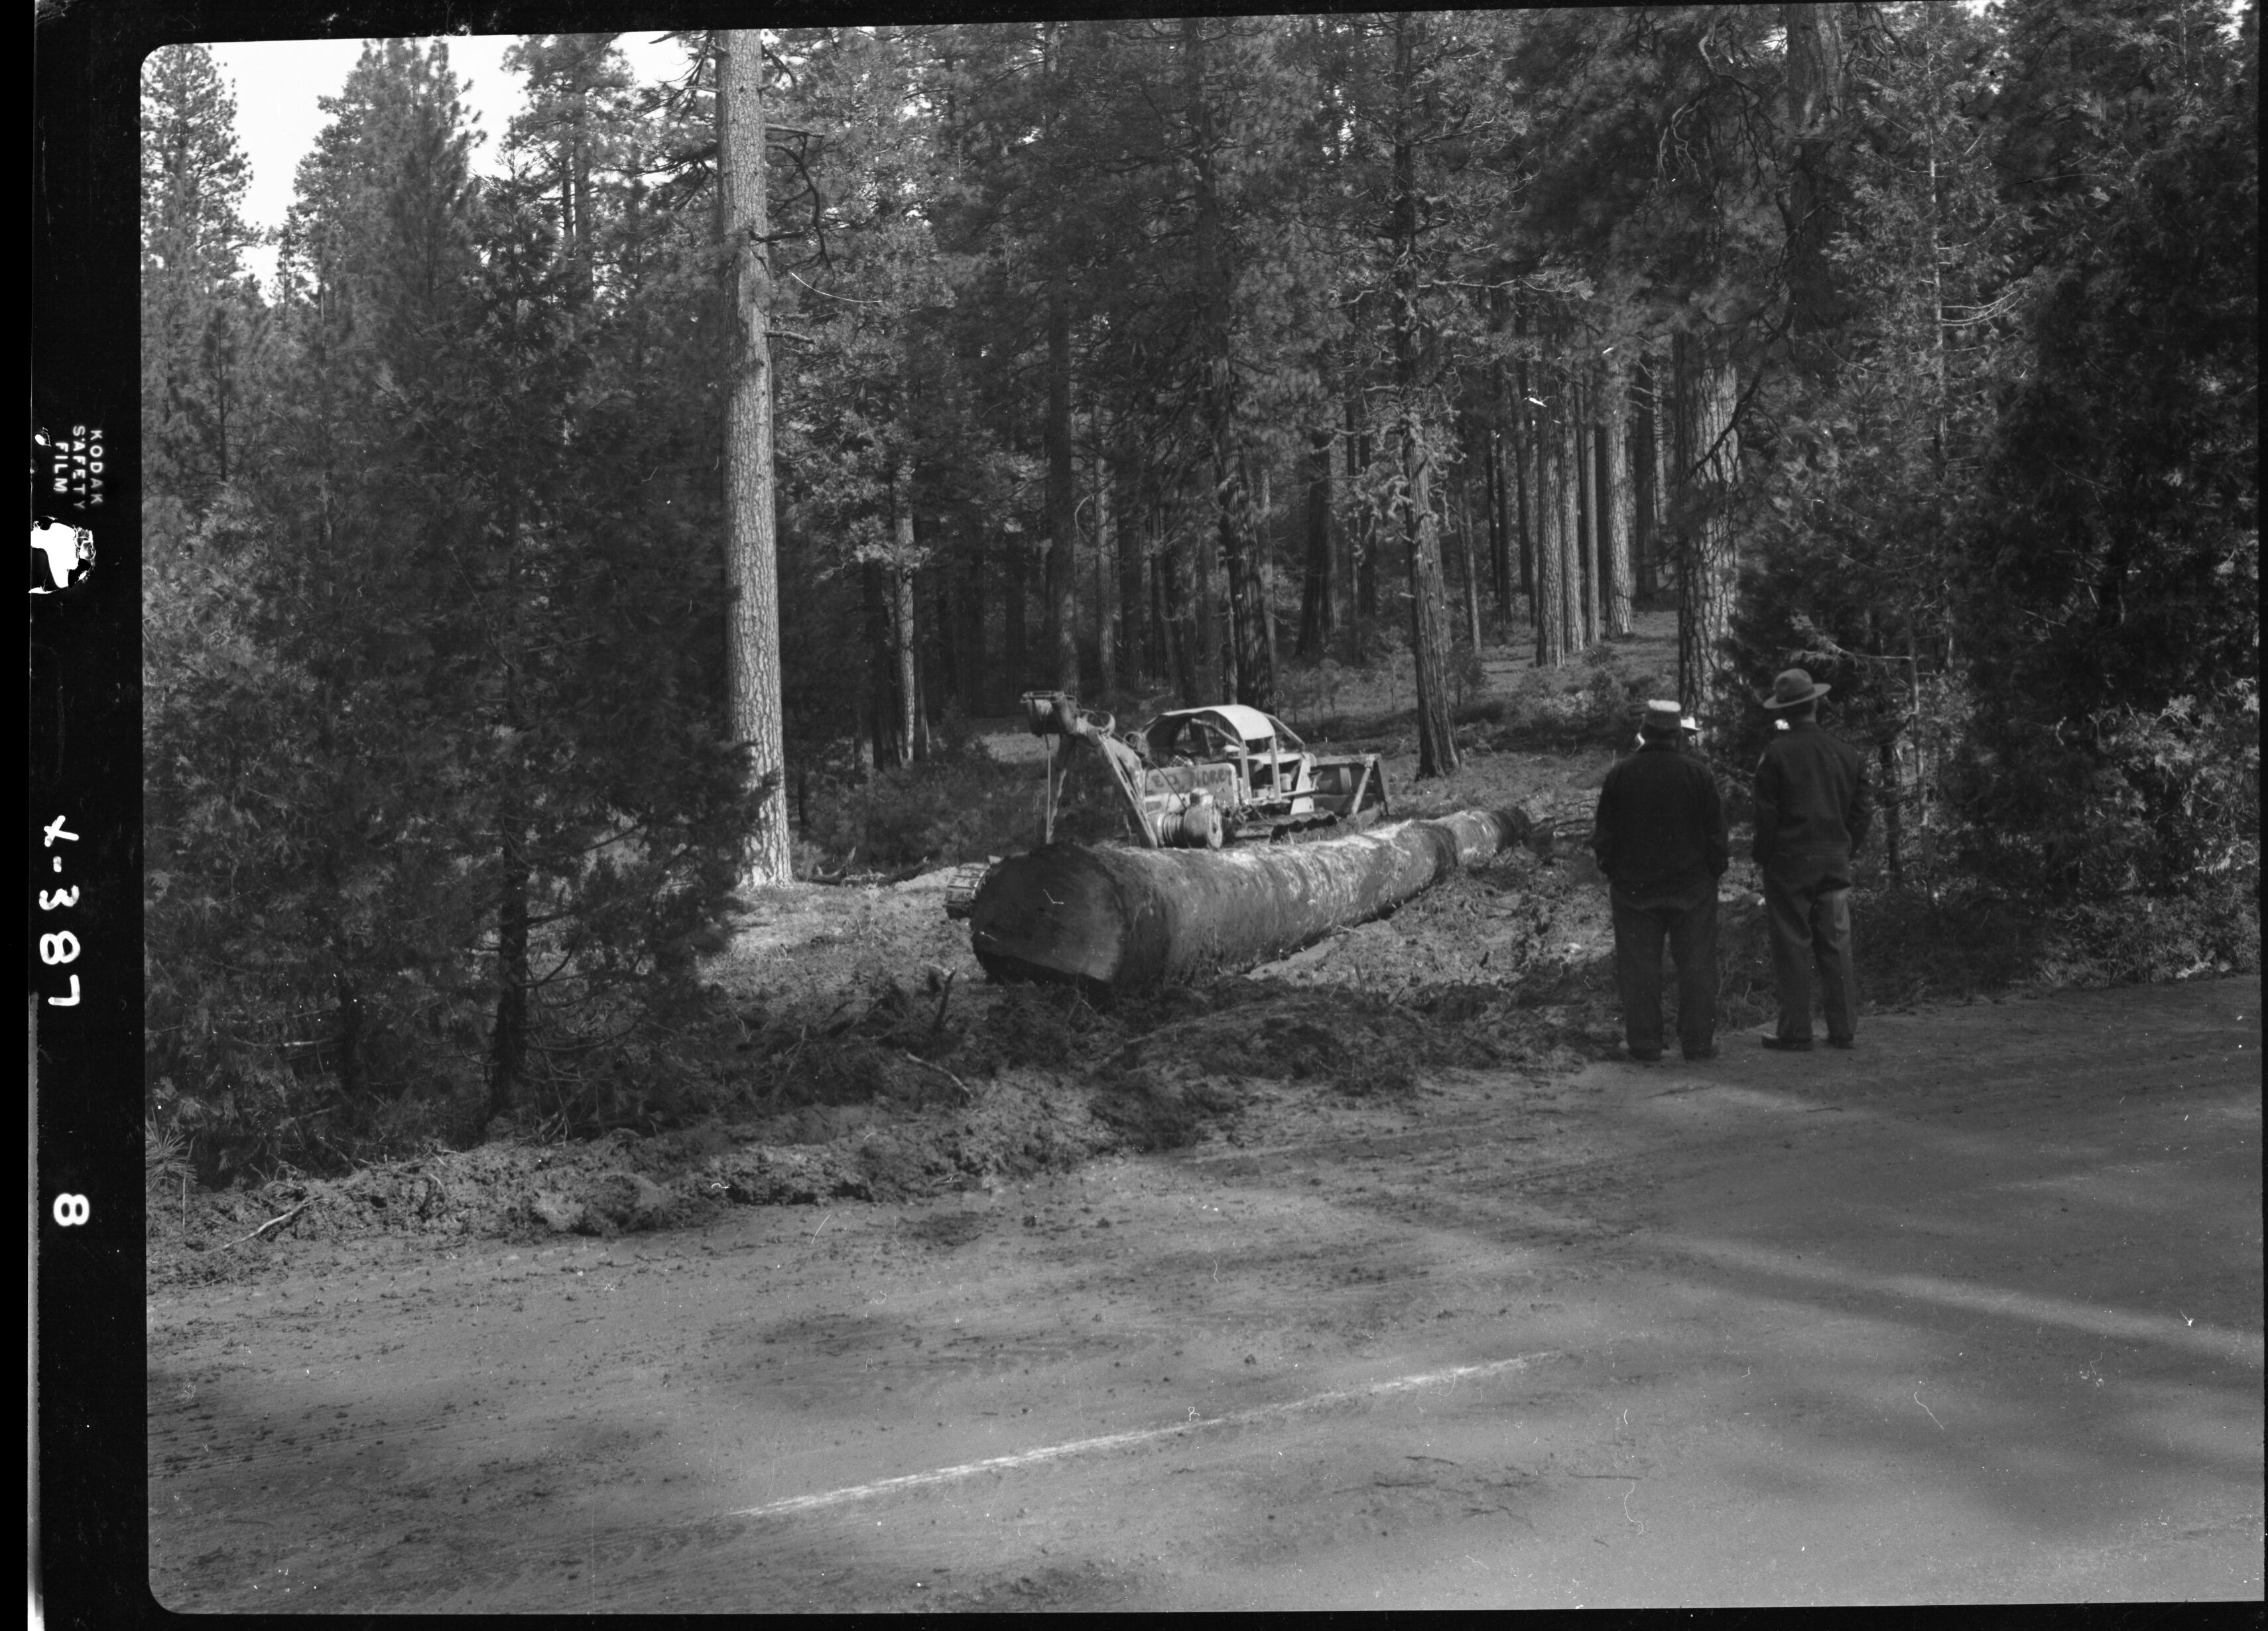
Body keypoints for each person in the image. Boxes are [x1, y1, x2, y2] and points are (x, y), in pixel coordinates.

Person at [1592, 699, 1728, 1063]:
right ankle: (1698, 1042)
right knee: (1697, 964)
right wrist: (1712, 872)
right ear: (1678, 736)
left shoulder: (1621, 775)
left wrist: (1613, 870)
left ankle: (1645, 1043)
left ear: (1645, 732)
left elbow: (1604, 836)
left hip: (1635, 889)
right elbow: (1717, 836)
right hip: (1692, 887)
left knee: (1639, 967)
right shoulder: (1698, 774)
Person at [1751, 668, 1873, 1051]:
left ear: (1784, 711)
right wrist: (1845, 847)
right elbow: (1863, 811)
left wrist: (1764, 856)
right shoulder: (1846, 753)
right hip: (1834, 859)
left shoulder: (1775, 754)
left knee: (1792, 943)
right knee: (1837, 941)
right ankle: (1843, 1028)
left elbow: (1765, 816)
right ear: (1816, 703)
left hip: (1788, 861)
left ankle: (1795, 1030)